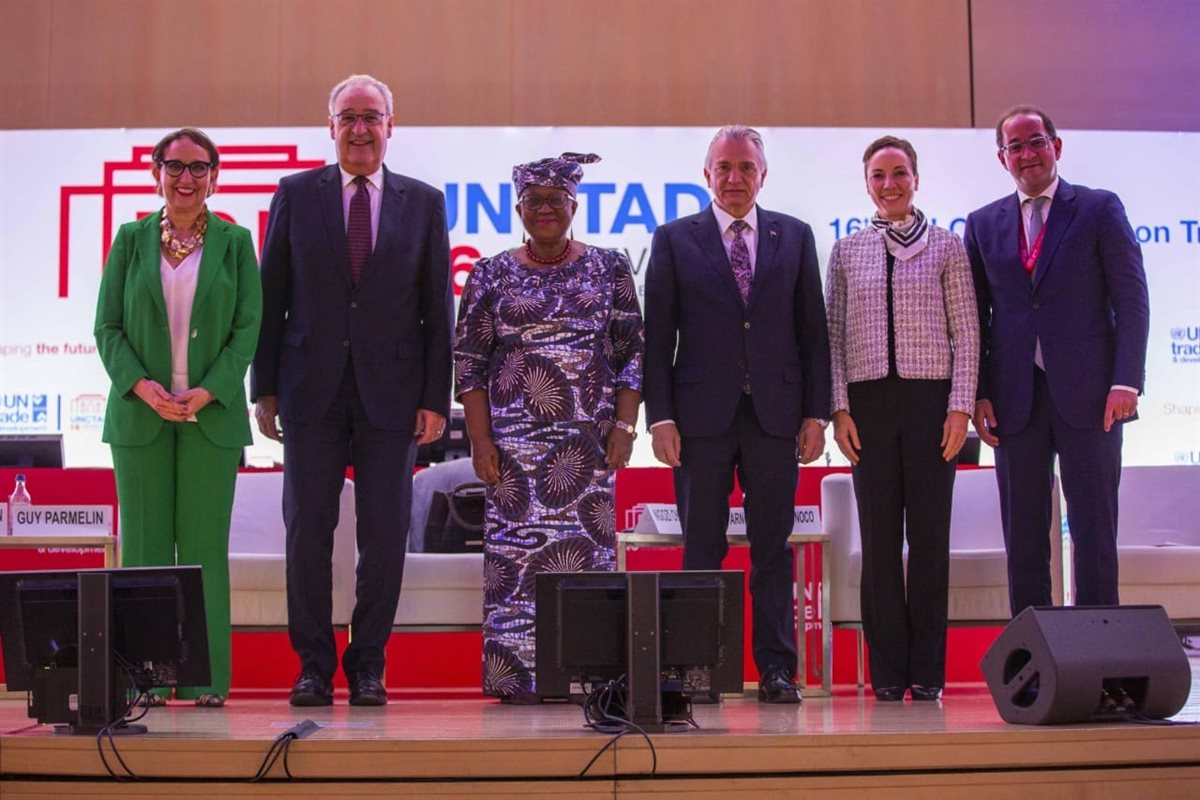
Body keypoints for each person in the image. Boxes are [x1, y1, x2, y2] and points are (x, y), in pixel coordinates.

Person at [252, 74, 453, 707]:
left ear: (391, 126)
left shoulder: (424, 203)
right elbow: (272, 296)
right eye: (349, 117)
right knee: (305, 531)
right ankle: (312, 667)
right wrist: (265, 386)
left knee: (385, 535)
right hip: (308, 391)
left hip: (392, 396)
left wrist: (434, 396)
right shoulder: (295, 193)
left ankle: (368, 664)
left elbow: (436, 309)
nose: (360, 129)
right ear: (330, 126)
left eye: (371, 117)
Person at [643, 126, 831, 704]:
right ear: (707, 175)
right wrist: (661, 417)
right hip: (699, 419)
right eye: (724, 167)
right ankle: (698, 669)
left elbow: (813, 332)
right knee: (702, 547)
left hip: (777, 415)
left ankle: (776, 669)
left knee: (773, 547)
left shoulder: (794, 236)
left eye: (746, 167)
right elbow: (658, 338)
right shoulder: (674, 239)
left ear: (763, 175)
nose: (734, 177)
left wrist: (816, 413)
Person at [454, 153, 644, 703]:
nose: (544, 209)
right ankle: (515, 682)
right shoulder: (490, 272)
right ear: (517, 209)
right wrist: (480, 440)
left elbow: (632, 352)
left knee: (587, 567)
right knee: (516, 571)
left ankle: (592, 679)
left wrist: (625, 426)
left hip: (588, 449)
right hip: (513, 454)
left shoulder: (610, 267)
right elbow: (469, 361)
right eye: (532, 201)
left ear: (573, 206)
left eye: (555, 200)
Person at [95, 127, 262, 708]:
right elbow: (107, 327)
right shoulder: (130, 239)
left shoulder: (236, 243)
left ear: (214, 176)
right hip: (139, 416)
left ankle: (204, 680)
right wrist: (140, 386)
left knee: (202, 550)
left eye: (198, 167)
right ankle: (143, 677)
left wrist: (210, 390)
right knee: (143, 549)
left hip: (210, 418)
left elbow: (248, 329)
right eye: (175, 166)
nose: (186, 178)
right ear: (156, 173)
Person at [965, 105, 1150, 615]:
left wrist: (1127, 381)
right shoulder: (982, 224)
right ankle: (1034, 652)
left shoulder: (1098, 208)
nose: (1027, 153)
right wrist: (979, 391)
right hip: (1013, 400)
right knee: (1023, 536)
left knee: (1094, 531)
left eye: (1036, 141)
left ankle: (1098, 645)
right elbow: (976, 316)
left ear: (1056, 146)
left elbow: (1132, 299)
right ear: (1002, 158)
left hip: (1093, 397)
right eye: (1015, 146)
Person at [825, 136, 979, 702]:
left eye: (899, 173)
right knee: (880, 541)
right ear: (866, 183)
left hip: (932, 405)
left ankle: (928, 673)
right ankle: (888, 673)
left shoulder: (947, 246)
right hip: (866, 407)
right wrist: (838, 409)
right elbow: (832, 337)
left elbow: (968, 332)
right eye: (879, 175)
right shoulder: (847, 251)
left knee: (930, 540)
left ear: (916, 179)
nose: (889, 184)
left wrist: (960, 407)